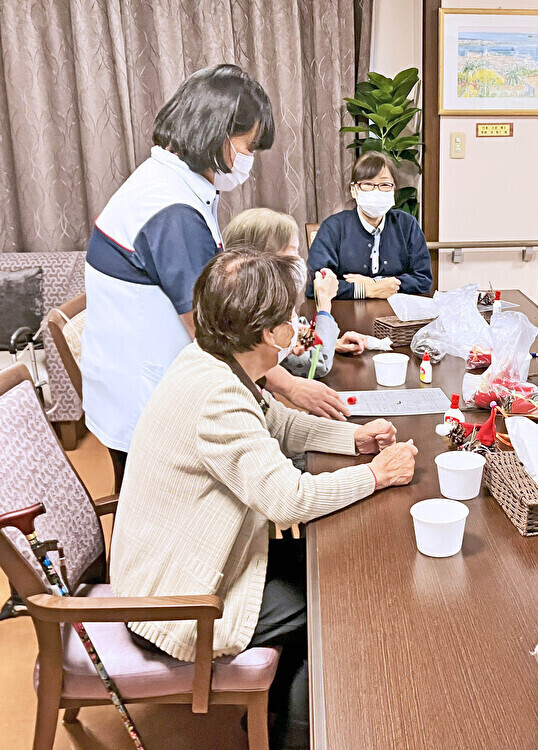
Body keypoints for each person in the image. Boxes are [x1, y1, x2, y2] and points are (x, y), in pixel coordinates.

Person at [110, 246, 419, 749]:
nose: (297, 322)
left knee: (325, 572)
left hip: (177, 560)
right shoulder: (218, 396)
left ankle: (279, 721)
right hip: (178, 599)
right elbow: (288, 500)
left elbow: (276, 421)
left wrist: (353, 441)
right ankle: (293, 734)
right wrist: (377, 477)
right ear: (264, 332)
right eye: (289, 316)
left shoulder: (212, 361)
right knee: (328, 606)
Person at [82, 65, 350, 493]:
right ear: (216, 133)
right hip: (149, 400)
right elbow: (219, 332)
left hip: (138, 385)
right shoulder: (171, 212)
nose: (249, 161)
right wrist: (289, 385)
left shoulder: (169, 185)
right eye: (248, 147)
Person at [223, 208, 367, 377]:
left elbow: (297, 333)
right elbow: (318, 364)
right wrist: (324, 306)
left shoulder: (255, 297)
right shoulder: (256, 312)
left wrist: (330, 342)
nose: (299, 260)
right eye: (292, 251)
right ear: (261, 258)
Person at [305, 152, 432, 300]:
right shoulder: (333, 227)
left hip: (396, 317)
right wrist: (365, 290)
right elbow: (316, 285)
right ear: (354, 189)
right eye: (367, 184)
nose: (376, 190)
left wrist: (374, 283)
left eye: (384, 185)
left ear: (393, 190)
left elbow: (423, 280)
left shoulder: (407, 225)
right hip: (345, 317)